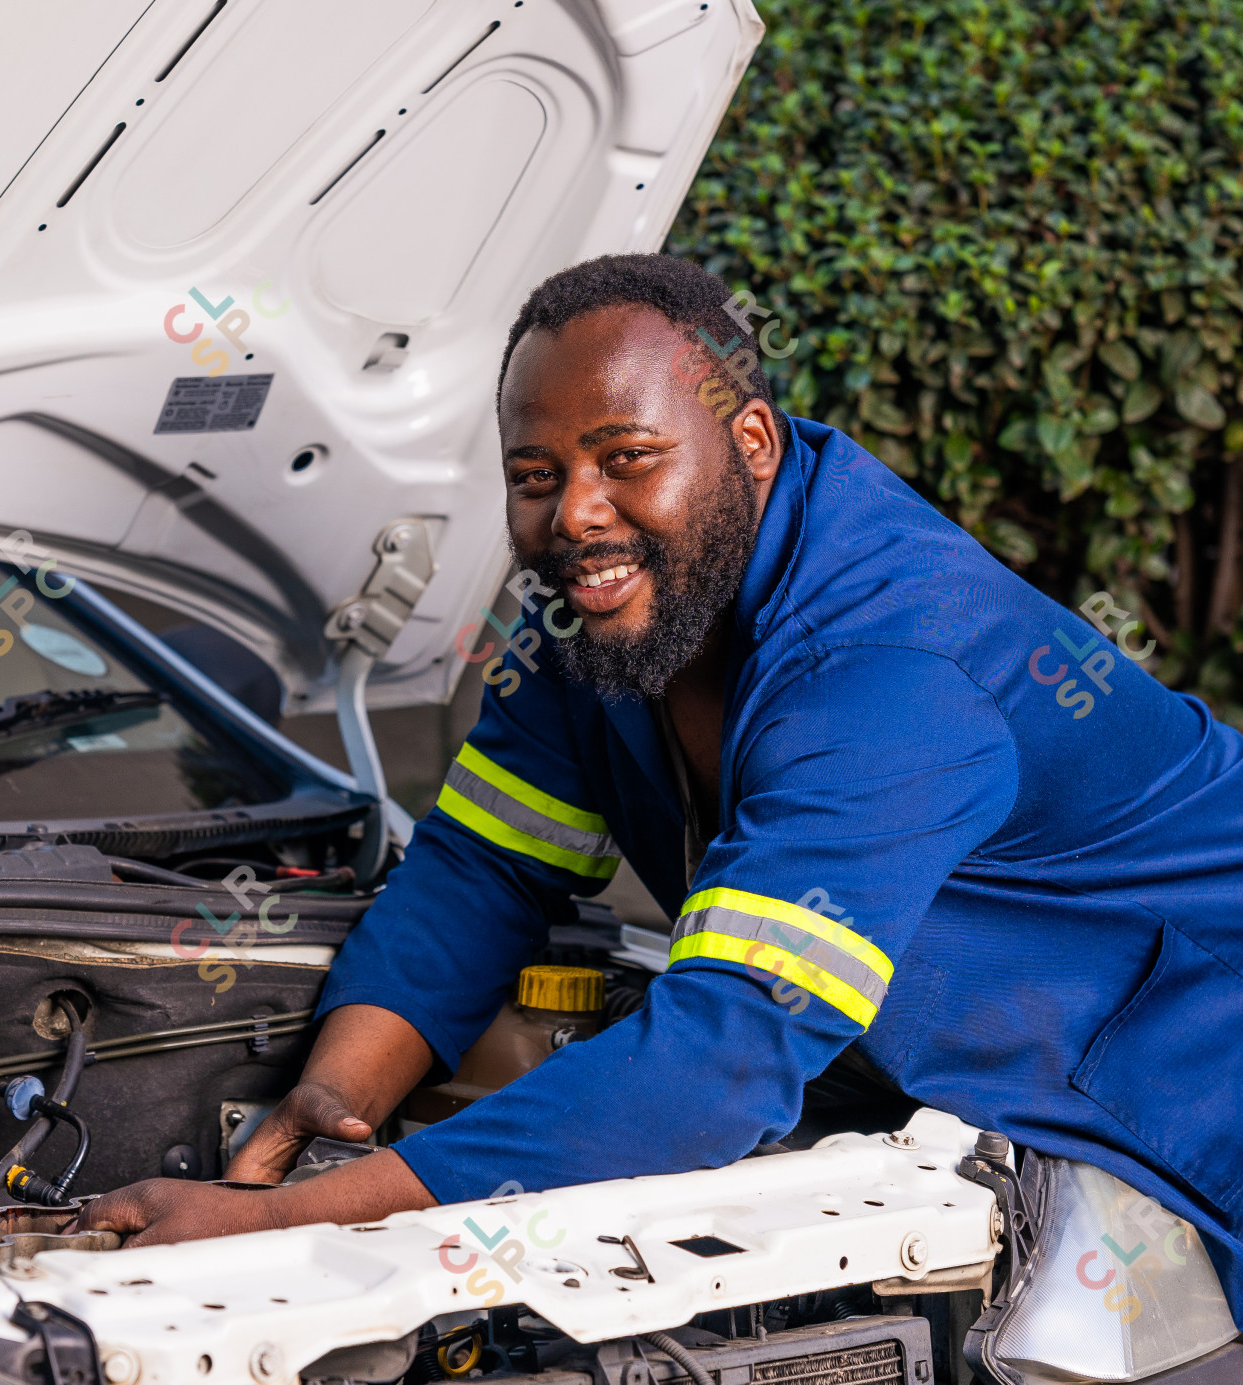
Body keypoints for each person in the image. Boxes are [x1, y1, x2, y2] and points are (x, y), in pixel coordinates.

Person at [75, 254, 1243, 1317]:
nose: (577, 512)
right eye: (537, 472)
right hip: (960, 1072)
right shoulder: (607, 629)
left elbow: (722, 1055)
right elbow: (484, 870)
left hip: (1186, 1079)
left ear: (751, 442)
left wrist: (284, 1221)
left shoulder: (888, 678)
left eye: (626, 458)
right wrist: (328, 1100)